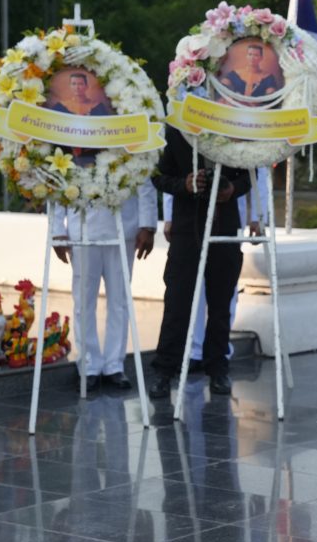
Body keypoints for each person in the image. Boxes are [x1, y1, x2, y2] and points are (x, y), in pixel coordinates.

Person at [148, 129, 251, 398]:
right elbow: (157, 176)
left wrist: (232, 189)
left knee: (221, 303)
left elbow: (248, 178)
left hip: (224, 225)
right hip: (187, 227)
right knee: (177, 301)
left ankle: (218, 369)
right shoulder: (176, 132)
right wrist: (184, 185)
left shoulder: (232, 128)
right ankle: (164, 370)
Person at [161, 166, 269, 371]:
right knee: (194, 287)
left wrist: (258, 216)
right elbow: (176, 168)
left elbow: (257, 171)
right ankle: (194, 350)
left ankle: (220, 352)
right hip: (190, 217)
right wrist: (169, 216)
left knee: (224, 290)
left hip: (228, 214)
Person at [51, 187, 157, 391]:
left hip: (123, 226)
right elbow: (59, 184)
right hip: (82, 228)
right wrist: (57, 229)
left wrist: (148, 225)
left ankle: (114, 365)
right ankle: (88, 365)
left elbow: (144, 180)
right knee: (83, 302)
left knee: (120, 301)